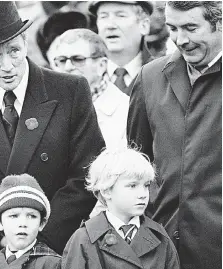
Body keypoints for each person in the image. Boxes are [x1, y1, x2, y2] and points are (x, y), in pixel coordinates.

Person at [0, 1, 105, 254]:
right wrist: (0, 234)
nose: (7, 65)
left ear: (26, 42)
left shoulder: (69, 90)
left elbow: (87, 172)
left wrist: (40, 238)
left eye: (14, 51)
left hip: (55, 247)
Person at [127, 2, 222, 269]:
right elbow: (136, 165)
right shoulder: (150, 77)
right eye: (173, 28)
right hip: (160, 247)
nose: (181, 40)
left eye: (191, 28)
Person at [62, 147, 180, 269]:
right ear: (106, 191)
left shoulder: (160, 238)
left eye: (146, 185)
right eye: (132, 186)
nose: (143, 194)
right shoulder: (84, 239)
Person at [50, 28, 129, 149]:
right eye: (61, 60)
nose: (67, 67)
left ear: (101, 65)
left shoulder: (126, 110)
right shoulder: (46, 107)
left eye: (78, 59)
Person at [0, 174, 61, 269]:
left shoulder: (53, 264)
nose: (23, 224)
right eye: (14, 216)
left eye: (32, 216)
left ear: (42, 223)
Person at [89, 1, 154, 95]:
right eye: (103, 16)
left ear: (144, 25)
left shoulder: (162, 75)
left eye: (121, 16)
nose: (110, 25)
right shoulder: (84, 75)